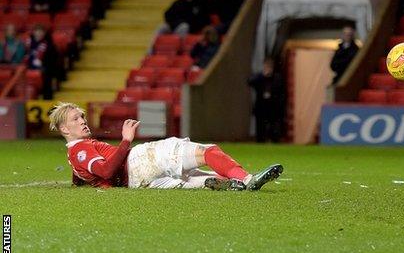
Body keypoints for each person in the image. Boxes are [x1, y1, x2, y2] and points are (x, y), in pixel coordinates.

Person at [49, 102, 283, 190]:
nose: (82, 121)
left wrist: (78, 183)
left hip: (139, 182)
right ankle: (247, 179)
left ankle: (229, 184)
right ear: (65, 130)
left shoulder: (76, 154)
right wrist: (126, 140)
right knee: (207, 152)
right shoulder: (80, 149)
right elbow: (105, 170)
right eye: (75, 119)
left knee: (198, 179)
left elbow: (86, 170)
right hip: (139, 161)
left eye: (82, 116)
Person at [248, 59, 285, 143]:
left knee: (274, 125)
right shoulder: (259, 77)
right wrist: (262, 76)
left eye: (269, 67)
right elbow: (250, 82)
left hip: (273, 106)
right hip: (261, 106)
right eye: (266, 67)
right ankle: (260, 141)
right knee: (260, 125)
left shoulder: (277, 78)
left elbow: (281, 92)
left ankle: (274, 140)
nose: (267, 69)